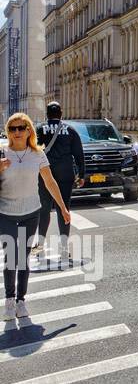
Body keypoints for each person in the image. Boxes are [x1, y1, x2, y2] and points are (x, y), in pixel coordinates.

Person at [1, 112, 72, 321]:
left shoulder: (37, 154)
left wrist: (63, 207)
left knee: (23, 257)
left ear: (28, 130)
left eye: (21, 128)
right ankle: (9, 300)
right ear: (8, 132)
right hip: (5, 212)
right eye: (12, 129)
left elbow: (50, 182)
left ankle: (21, 301)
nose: (17, 132)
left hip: (31, 213)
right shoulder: (2, 152)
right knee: (11, 256)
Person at [35, 101, 84, 269]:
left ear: (47, 114)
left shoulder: (40, 129)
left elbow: (33, 150)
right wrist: (82, 174)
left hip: (44, 174)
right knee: (64, 210)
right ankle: (64, 249)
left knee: (44, 210)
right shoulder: (70, 130)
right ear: (61, 114)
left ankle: (40, 248)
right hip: (65, 174)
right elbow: (79, 153)